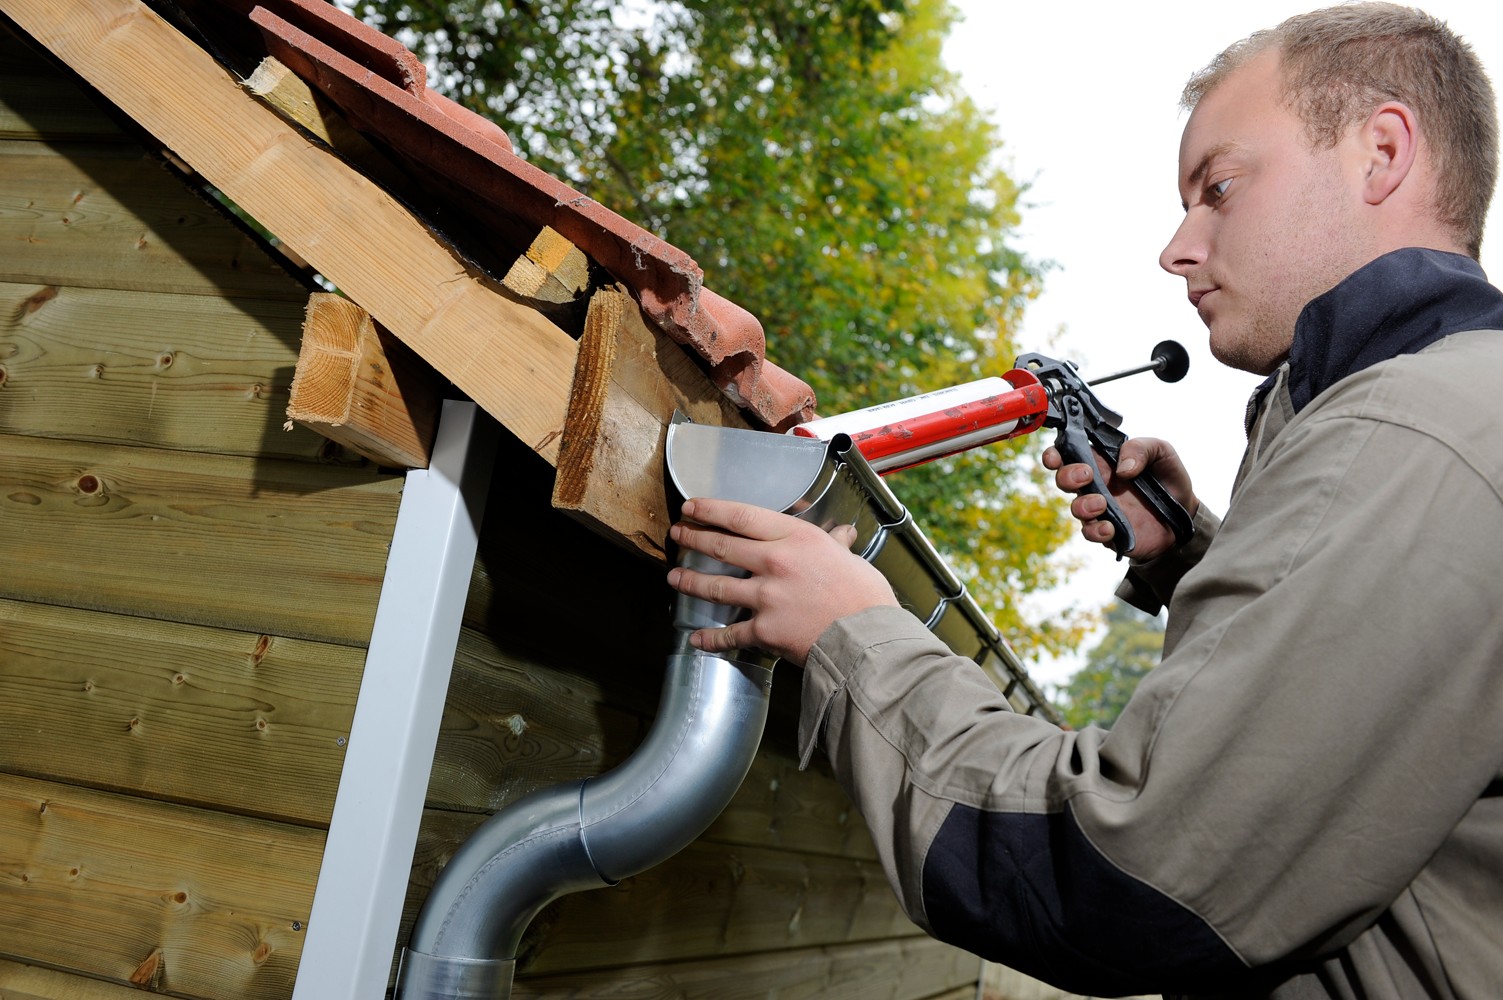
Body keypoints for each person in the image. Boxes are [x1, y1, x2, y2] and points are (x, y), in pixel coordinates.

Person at [668, 4, 1503, 998]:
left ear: (1381, 152)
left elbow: (1134, 875)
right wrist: (1189, 550)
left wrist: (857, 635)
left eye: (1219, 188)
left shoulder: (1408, 433)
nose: (1177, 247)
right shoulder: (1429, 418)